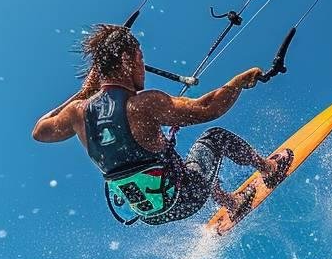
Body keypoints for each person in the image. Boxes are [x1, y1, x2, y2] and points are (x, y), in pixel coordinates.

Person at [31, 24, 292, 225]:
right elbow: (207, 108)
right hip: (184, 198)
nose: (143, 67)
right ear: (125, 60)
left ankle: (231, 202)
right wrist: (235, 84)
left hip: (149, 214)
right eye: (140, 59)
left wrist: (84, 91)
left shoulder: (77, 114)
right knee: (214, 138)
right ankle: (269, 169)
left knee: (179, 165)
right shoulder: (143, 104)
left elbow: (40, 131)